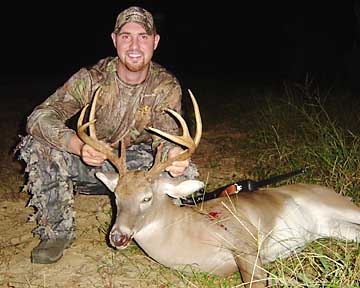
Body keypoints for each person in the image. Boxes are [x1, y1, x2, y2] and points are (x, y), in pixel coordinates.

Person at [16, 6, 198, 264]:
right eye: (126, 36)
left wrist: (172, 154)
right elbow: (38, 118)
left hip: (136, 171)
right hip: (89, 162)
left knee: (183, 172)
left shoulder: (165, 86)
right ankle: (57, 232)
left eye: (143, 37)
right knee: (38, 145)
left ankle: (159, 230)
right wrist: (77, 145)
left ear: (155, 42)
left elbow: (166, 136)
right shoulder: (91, 79)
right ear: (115, 40)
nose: (134, 45)